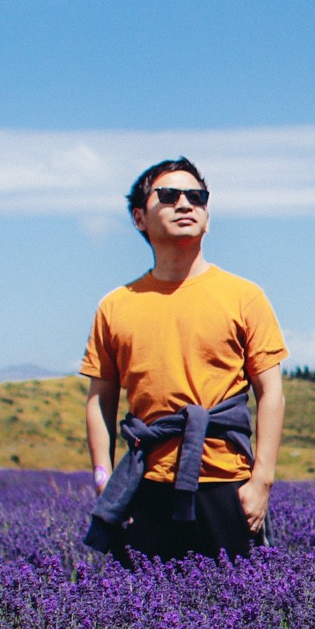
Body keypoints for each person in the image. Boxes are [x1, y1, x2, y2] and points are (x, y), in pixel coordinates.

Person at [79, 157, 288, 563]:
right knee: (143, 620)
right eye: (169, 196)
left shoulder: (244, 296)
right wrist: (104, 478)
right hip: (145, 485)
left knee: (238, 613)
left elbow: (272, 392)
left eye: (197, 197)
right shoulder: (116, 306)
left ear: (207, 217)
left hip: (225, 483)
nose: (185, 204)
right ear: (140, 218)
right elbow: (99, 399)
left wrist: (261, 481)